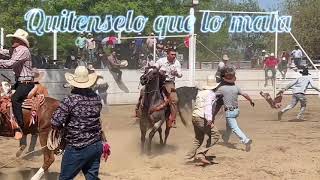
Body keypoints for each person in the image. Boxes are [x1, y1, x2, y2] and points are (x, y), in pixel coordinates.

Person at [51, 66, 106, 180]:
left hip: (77, 147)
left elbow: (56, 122)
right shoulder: (96, 98)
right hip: (96, 145)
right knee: (92, 177)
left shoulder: (70, 100)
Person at [0, 29, 34, 140]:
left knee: (15, 99)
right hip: (21, 82)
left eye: (15, 39)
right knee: (3, 94)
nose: (12, 40)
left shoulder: (23, 50)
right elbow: (5, 52)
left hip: (26, 83)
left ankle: (20, 127)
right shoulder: (15, 50)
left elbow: (11, 63)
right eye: (13, 38)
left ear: (21, 41)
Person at [215, 70, 254, 152]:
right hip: (236, 110)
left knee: (234, 127)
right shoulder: (236, 87)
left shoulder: (222, 88)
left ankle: (245, 140)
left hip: (229, 111)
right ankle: (226, 137)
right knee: (229, 125)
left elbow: (213, 95)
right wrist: (250, 100)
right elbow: (245, 94)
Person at [186, 75, 221, 165]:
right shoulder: (211, 94)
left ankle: (188, 155)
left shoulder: (200, 93)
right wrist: (209, 118)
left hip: (195, 116)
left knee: (199, 138)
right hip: (202, 117)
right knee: (215, 135)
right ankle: (200, 154)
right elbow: (208, 105)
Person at [155, 48, 182, 127]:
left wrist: (176, 73)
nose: (174, 56)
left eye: (175, 55)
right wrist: (158, 71)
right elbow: (155, 67)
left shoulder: (177, 63)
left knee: (174, 99)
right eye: (172, 54)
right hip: (158, 81)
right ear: (167, 55)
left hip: (169, 83)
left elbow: (180, 74)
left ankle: (172, 119)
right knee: (144, 90)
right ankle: (139, 110)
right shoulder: (161, 61)